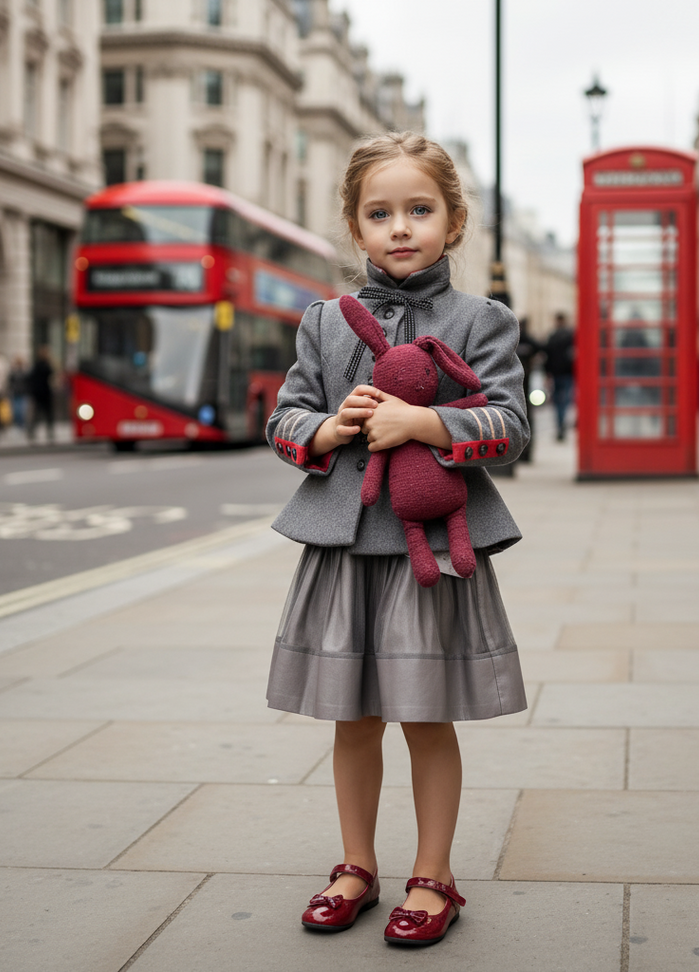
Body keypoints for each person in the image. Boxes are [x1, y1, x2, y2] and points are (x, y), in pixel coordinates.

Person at [266, 132, 529, 947]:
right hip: (345, 548)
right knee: (352, 719)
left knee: (425, 716)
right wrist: (325, 429)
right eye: (380, 214)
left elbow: (511, 428)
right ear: (355, 228)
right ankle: (355, 866)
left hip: (432, 553)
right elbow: (283, 419)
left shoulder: (480, 320)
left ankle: (433, 875)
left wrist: (426, 422)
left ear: (454, 221)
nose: (401, 227)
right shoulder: (323, 322)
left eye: (420, 209)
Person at [543, 311, 575, 441]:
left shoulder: (552, 336)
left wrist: (547, 374)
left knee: (557, 402)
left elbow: (547, 357)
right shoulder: (571, 336)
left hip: (556, 373)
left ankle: (560, 425)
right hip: (568, 373)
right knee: (565, 401)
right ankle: (562, 423)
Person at [515, 316, 541, 462]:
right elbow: (542, 349)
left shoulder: (511, 340)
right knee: (527, 419)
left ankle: (521, 454)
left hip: (515, 389)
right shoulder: (530, 341)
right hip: (525, 389)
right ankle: (526, 453)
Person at [28, 345, 55, 442]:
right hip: (41, 392)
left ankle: (45, 431)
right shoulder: (41, 365)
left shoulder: (41, 365)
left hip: (43, 392)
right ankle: (34, 431)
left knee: (43, 414)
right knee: (40, 414)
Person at [8, 355, 30, 433]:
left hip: (23, 393)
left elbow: (28, 382)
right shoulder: (13, 372)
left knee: (22, 411)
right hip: (15, 393)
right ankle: (17, 424)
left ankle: (22, 425)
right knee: (16, 410)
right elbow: (10, 382)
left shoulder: (25, 372)